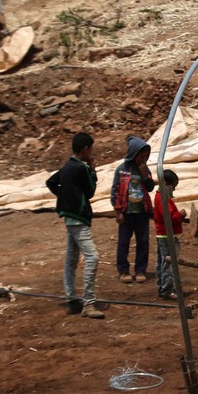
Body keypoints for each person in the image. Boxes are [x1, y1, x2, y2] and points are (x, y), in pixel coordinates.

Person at [45, 132, 105, 319]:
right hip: (79, 218)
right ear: (86, 149)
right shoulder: (81, 168)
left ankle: (72, 300)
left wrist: (65, 198)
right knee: (92, 257)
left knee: (71, 259)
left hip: (69, 217)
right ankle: (88, 303)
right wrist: (93, 171)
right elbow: (91, 191)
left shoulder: (67, 166)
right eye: (91, 149)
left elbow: (51, 182)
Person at [111, 136, 156, 283]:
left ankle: (140, 270)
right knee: (124, 242)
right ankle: (123, 270)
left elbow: (150, 188)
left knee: (143, 241)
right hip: (126, 212)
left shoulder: (145, 169)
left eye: (145, 156)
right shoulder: (122, 170)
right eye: (141, 156)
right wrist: (118, 212)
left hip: (141, 212)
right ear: (133, 154)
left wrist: (145, 174)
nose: (143, 159)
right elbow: (115, 191)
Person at [153, 169, 186, 301]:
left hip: (163, 235)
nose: (174, 190)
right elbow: (170, 217)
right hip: (166, 236)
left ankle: (162, 287)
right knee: (168, 263)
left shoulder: (162, 197)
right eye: (173, 187)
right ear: (167, 184)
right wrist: (181, 215)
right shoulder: (163, 199)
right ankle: (167, 289)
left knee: (162, 262)